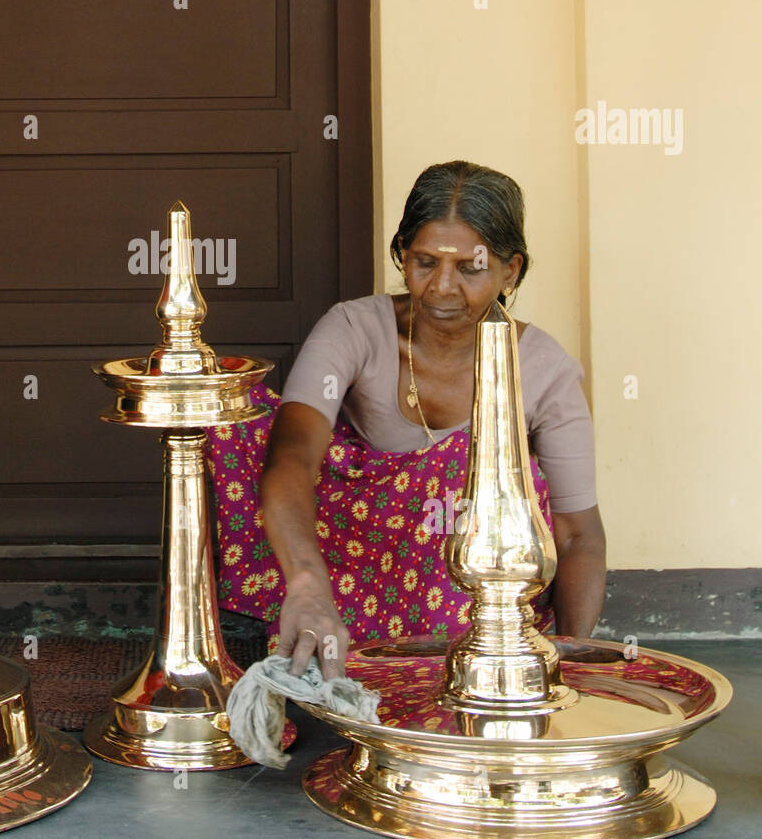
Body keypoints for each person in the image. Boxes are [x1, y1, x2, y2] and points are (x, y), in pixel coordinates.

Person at [206, 160, 606, 679]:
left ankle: (443, 649)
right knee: (241, 420)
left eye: (469, 267)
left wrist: (567, 658)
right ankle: (308, 616)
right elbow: (293, 457)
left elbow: (578, 534)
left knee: (480, 465)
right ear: (401, 255)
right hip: (353, 554)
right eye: (424, 262)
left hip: (461, 575)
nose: (441, 287)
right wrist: (307, 582)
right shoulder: (354, 327)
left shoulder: (543, 369)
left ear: (511, 269)